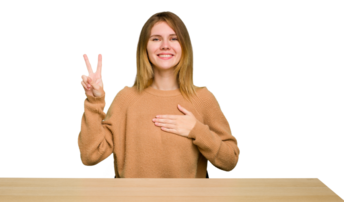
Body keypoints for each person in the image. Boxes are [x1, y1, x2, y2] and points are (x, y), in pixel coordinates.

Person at [78, 9, 241, 178]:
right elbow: (90, 157)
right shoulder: (125, 98)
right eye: (156, 39)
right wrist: (93, 100)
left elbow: (230, 161)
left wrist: (197, 130)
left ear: (185, 46)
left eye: (174, 38)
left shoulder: (204, 98)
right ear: (144, 47)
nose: (165, 45)